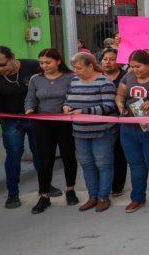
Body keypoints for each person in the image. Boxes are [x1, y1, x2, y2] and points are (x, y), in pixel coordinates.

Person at [0, 46, 45, 209]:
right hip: (11, 121)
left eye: (2, 64)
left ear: (12, 58)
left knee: (40, 153)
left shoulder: (33, 66)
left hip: (35, 117)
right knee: (13, 155)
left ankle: (45, 188)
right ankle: (12, 194)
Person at [115, 49, 149, 214]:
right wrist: (119, 104)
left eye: (138, 66)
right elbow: (120, 93)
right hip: (129, 128)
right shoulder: (129, 76)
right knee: (136, 165)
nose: (134, 70)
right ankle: (137, 198)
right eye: (131, 66)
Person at [24, 48, 78, 213]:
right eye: (41, 63)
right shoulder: (36, 79)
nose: (44, 66)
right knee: (45, 159)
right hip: (43, 124)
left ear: (58, 61)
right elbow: (30, 98)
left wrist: (68, 106)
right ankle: (44, 195)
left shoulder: (70, 77)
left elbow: (74, 96)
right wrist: (29, 109)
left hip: (64, 122)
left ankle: (70, 190)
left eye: (48, 62)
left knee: (68, 155)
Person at [63, 52, 118, 213]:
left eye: (79, 68)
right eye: (74, 67)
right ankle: (92, 196)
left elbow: (108, 106)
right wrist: (65, 106)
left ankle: (103, 196)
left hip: (101, 131)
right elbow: (68, 98)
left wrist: (84, 111)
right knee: (86, 164)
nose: (75, 71)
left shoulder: (104, 82)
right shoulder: (73, 81)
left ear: (90, 66)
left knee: (103, 164)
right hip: (79, 131)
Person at [100, 48, 128, 198]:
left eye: (112, 59)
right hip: (101, 122)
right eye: (105, 59)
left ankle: (117, 186)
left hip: (122, 121)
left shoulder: (126, 76)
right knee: (103, 155)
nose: (108, 62)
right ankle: (103, 185)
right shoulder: (97, 77)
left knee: (119, 153)